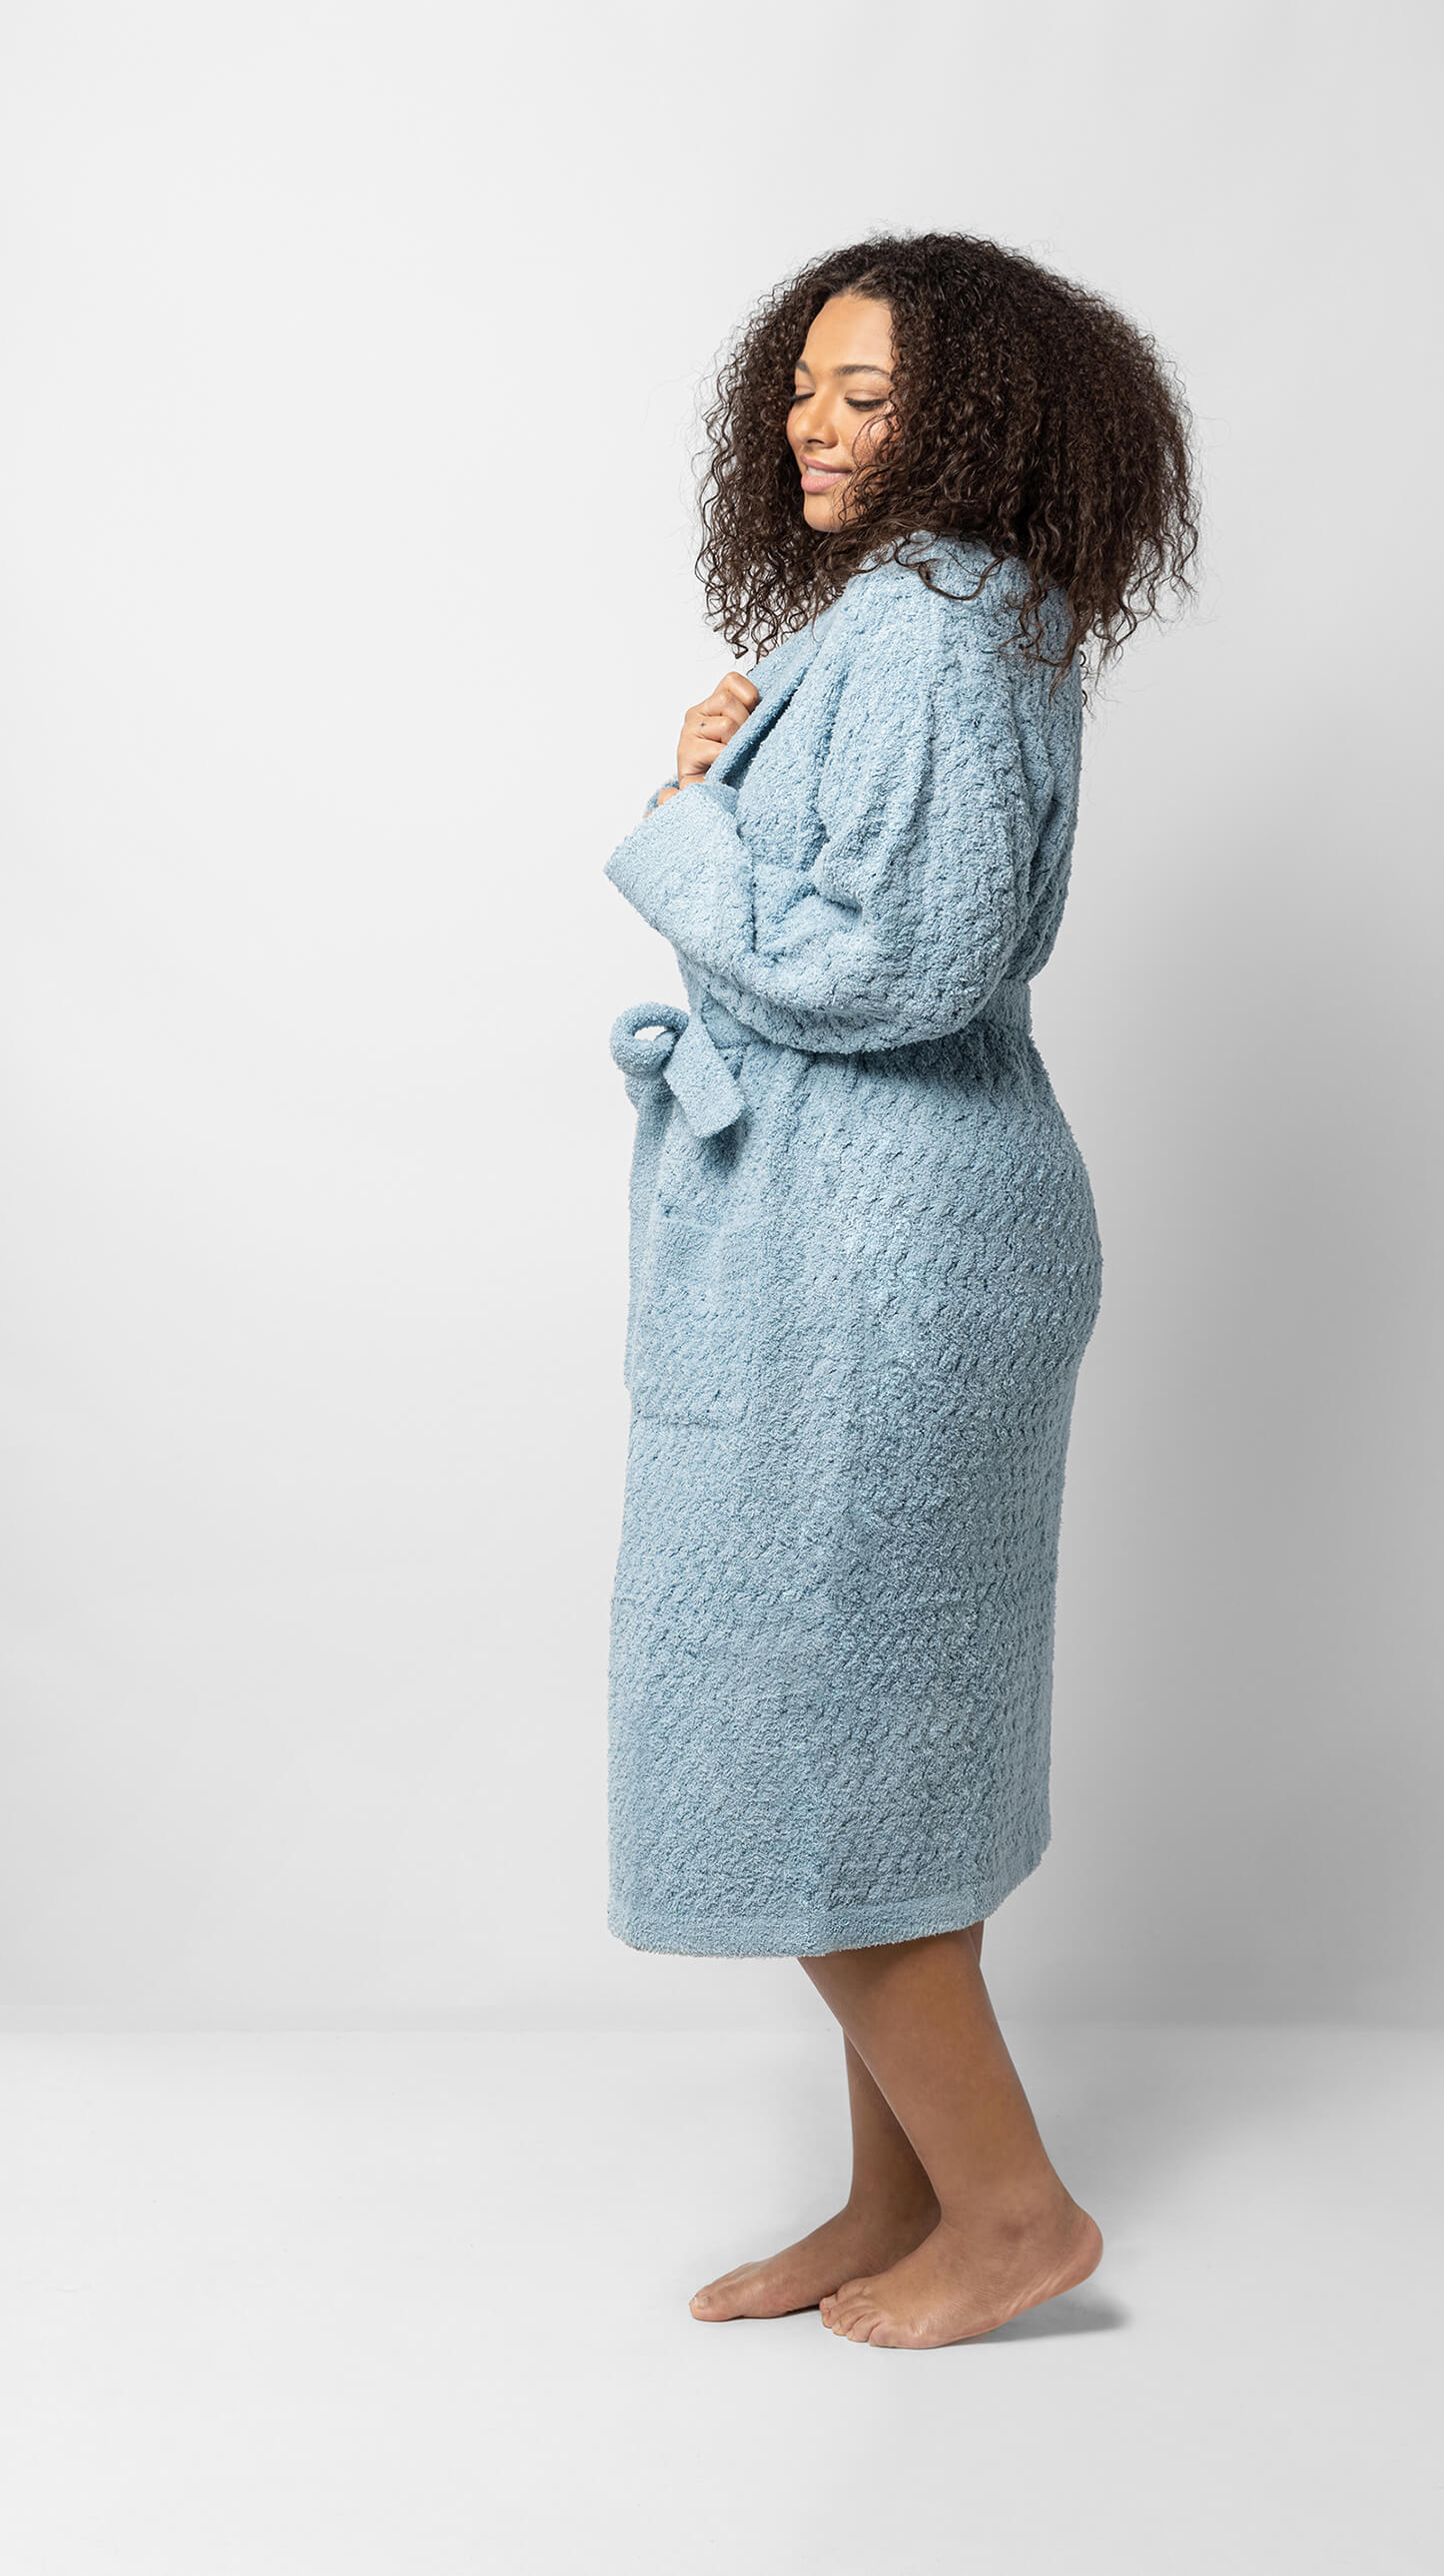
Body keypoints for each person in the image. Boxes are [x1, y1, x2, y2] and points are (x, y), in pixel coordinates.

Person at [603, 233, 1196, 2348]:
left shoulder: (936, 632)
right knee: (879, 1748)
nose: (817, 427)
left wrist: (679, 829)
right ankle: (899, 2202)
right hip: (881, 1234)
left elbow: (893, 966)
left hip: (874, 1259)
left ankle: (1013, 2217)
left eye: (871, 396)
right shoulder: (935, 619)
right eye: (804, 388)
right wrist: (732, 787)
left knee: (810, 1738)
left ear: (974, 421)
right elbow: (869, 912)